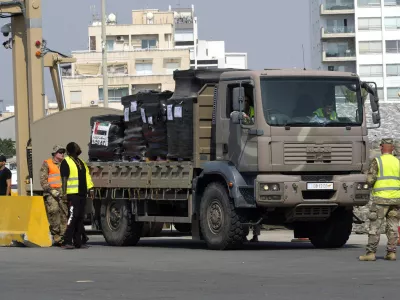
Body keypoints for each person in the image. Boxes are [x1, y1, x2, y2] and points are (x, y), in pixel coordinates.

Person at [359, 138, 400, 261]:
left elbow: (370, 180)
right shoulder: (397, 162)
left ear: (381, 147)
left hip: (380, 199)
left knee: (375, 227)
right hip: (396, 199)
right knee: (393, 227)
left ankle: (371, 253)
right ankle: (391, 253)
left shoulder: (377, 161)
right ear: (392, 148)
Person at [61, 142, 94, 249]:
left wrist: (90, 188)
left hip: (82, 193)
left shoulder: (81, 162)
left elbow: (87, 176)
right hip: (72, 194)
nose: (79, 148)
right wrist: (64, 193)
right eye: (77, 147)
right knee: (72, 217)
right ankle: (67, 241)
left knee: (80, 217)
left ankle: (78, 242)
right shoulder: (66, 162)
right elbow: (64, 179)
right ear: (72, 149)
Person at [39, 145, 68, 246]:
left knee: (64, 214)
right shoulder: (47, 163)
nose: (62, 154)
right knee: (54, 211)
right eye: (60, 152)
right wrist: (51, 190)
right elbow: (43, 180)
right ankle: (56, 234)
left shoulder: (65, 163)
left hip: (63, 192)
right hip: (51, 192)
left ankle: (63, 236)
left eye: (63, 152)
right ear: (55, 154)